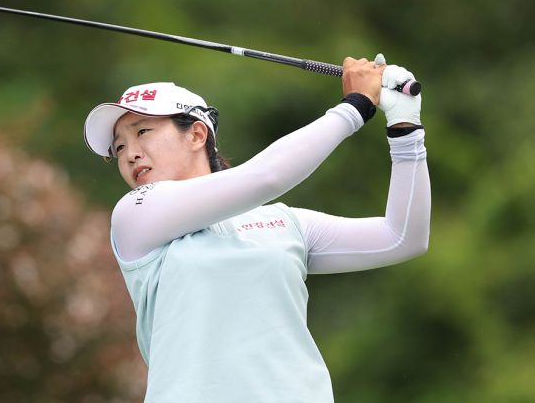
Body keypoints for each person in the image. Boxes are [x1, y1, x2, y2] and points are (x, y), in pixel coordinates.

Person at [82, 55, 430, 402]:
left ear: (197, 134)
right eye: (119, 147)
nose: (130, 154)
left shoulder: (284, 223)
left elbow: (402, 238)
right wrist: (355, 106)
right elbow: (266, 176)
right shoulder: (135, 215)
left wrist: (406, 131)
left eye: (143, 131)